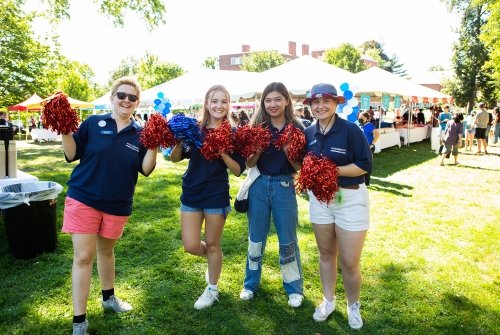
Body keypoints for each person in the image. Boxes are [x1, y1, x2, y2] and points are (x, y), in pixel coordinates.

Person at [61, 77, 158, 335]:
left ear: (137, 103)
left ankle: (108, 298)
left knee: (106, 251)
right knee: (83, 257)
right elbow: (71, 154)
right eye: (121, 95)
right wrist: (64, 130)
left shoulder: (141, 133)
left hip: (117, 204)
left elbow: (146, 169)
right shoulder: (93, 123)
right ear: (112, 97)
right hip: (84, 198)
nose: (126, 100)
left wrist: (155, 143)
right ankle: (79, 321)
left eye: (132, 97)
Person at [303, 83, 372, 330]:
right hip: (321, 202)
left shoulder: (351, 130)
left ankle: (353, 306)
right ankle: (328, 301)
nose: (320, 106)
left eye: (326, 101)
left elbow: (364, 164)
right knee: (325, 254)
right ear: (310, 105)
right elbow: (303, 165)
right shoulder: (308, 132)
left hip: (350, 199)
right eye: (315, 102)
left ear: (336, 103)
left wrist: (330, 170)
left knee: (350, 261)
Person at [170, 85, 245, 310]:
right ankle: (214, 262)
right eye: (214, 101)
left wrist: (221, 150)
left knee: (213, 244)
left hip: (216, 194)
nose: (218, 106)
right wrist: (180, 140)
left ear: (228, 105)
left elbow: (238, 170)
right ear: (207, 103)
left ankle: (212, 288)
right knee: (191, 245)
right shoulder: (195, 128)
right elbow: (174, 158)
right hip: (192, 192)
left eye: (223, 101)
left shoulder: (233, 133)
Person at [239, 82, 305, 308]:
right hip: (258, 185)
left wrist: (288, 150)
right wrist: (257, 148)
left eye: (277, 99)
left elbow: (299, 167)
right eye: (268, 100)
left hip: (284, 186)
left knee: (288, 239)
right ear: (263, 102)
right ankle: (250, 284)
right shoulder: (257, 126)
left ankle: (294, 288)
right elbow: (248, 164)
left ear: (287, 100)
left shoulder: (297, 128)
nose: (272, 104)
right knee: (255, 237)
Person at [358, 111, 379, 185]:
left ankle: (367, 182)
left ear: (366, 118)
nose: (360, 118)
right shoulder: (361, 125)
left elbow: (377, 134)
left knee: (367, 164)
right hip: (361, 147)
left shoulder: (369, 125)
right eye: (359, 117)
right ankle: (361, 180)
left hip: (369, 147)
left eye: (361, 117)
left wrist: (372, 144)